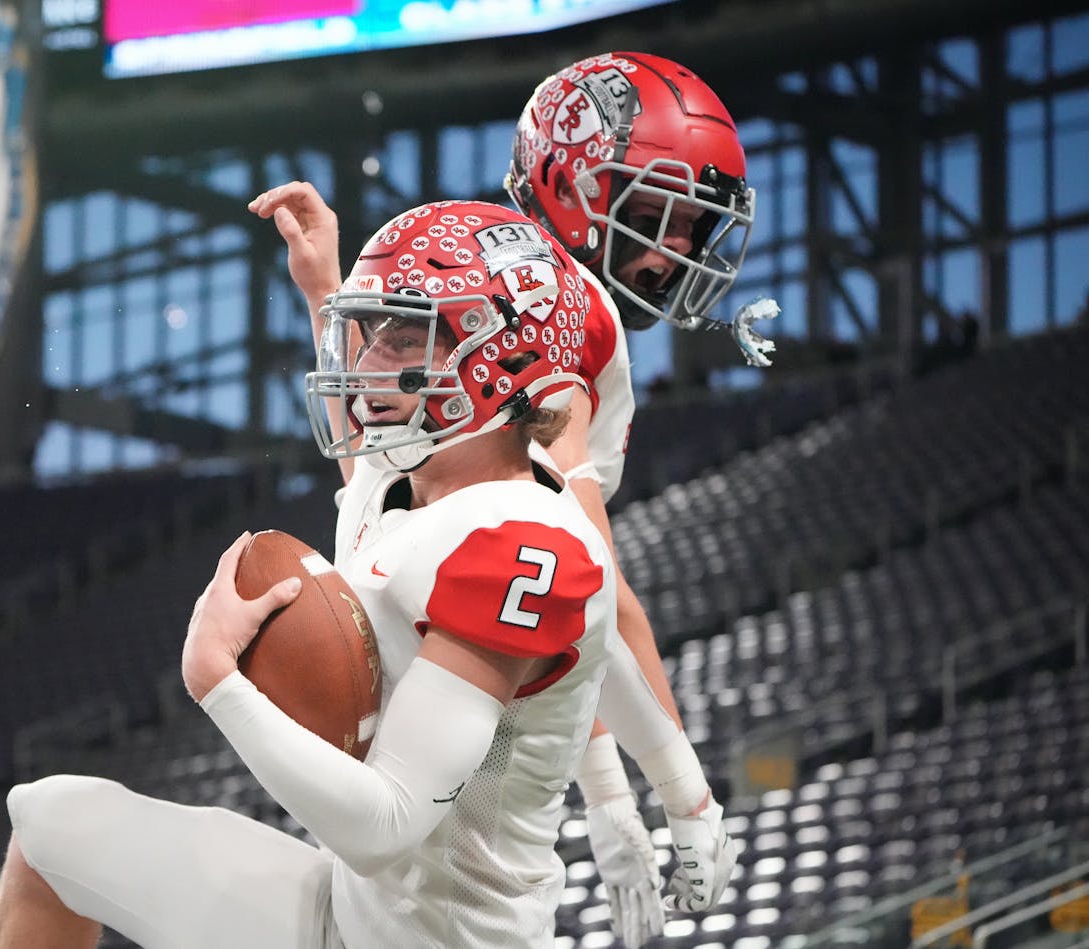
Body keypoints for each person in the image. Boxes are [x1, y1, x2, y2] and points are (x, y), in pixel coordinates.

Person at [0, 201, 732, 948]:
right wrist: (322, 290)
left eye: (403, 336)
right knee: (49, 824)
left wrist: (218, 682)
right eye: (367, 333)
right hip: (349, 913)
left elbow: (385, 823)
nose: (366, 363)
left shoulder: (523, 543)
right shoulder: (419, 471)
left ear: (500, 359)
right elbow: (367, 466)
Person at [248, 51, 757, 947]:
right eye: (649, 215)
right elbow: (578, 585)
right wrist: (648, 793)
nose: (674, 249)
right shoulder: (566, 316)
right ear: (567, 183)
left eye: (686, 226)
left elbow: (381, 461)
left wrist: (327, 288)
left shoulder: (476, 258)